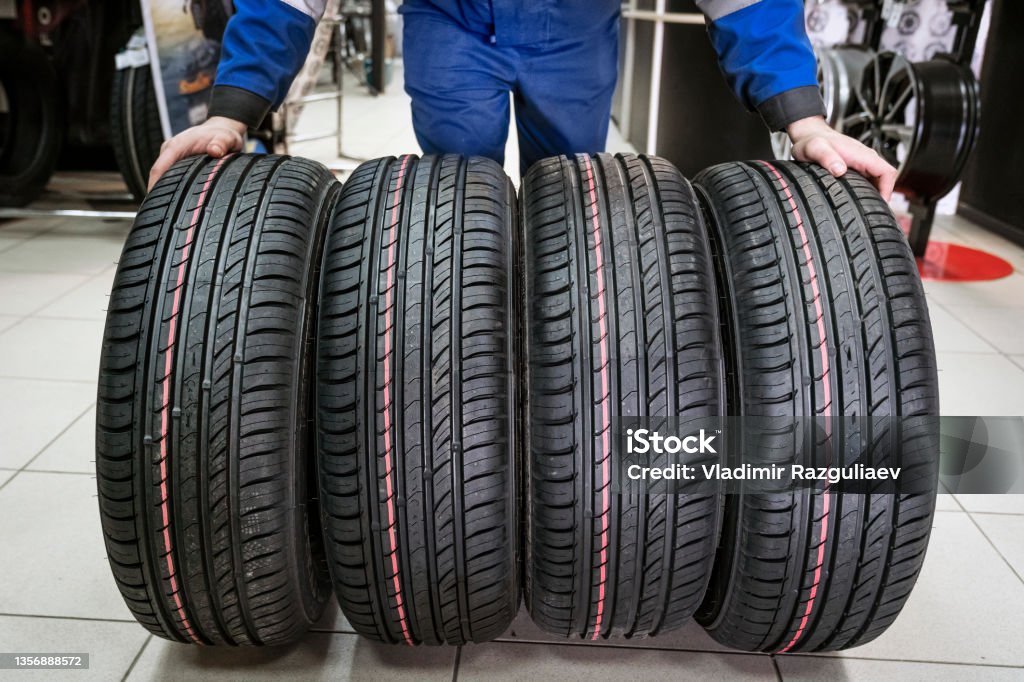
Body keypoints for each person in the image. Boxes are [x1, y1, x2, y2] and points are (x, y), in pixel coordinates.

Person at [147, 0, 898, 199]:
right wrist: (233, 107)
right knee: (456, 194)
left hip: (575, 29)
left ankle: (554, 337)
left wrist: (801, 116)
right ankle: (466, 338)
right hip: (451, 23)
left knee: (568, 190)